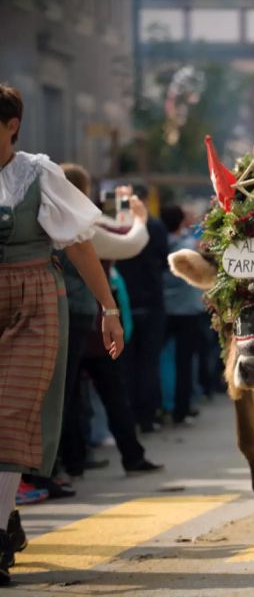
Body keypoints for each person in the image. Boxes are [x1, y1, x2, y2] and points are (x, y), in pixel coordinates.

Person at [0, 83, 125, 586]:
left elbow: (79, 245)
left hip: (35, 300)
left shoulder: (39, 173)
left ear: (12, 126)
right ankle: (8, 515)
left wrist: (109, 307)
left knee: (11, 415)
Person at [56, 165, 163, 478]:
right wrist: (139, 216)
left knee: (73, 393)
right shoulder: (74, 224)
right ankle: (127, 455)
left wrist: (121, 207)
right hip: (87, 321)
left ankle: (74, 461)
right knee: (105, 392)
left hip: (76, 318)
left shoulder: (54, 216)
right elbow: (125, 241)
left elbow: (109, 227)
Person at [115, 189, 169, 432]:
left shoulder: (115, 224)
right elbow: (164, 259)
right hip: (151, 302)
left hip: (123, 303)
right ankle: (147, 417)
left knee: (126, 365)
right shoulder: (155, 226)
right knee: (148, 363)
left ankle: (131, 417)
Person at [160, 204, 204, 425]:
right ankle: (181, 408)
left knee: (163, 360)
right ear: (180, 222)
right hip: (187, 311)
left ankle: (164, 405)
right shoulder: (189, 248)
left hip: (164, 310)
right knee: (185, 363)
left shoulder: (158, 244)